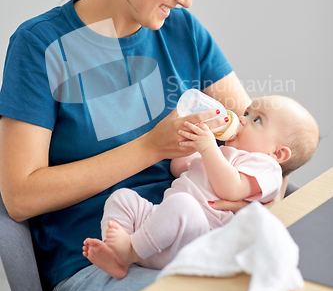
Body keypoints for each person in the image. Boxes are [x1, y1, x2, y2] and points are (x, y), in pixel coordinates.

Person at [0, 0, 262, 291]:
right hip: (97, 264)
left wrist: (247, 188)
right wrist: (151, 147)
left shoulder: (182, 31)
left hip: (188, 238)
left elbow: (254, 131)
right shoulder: (39, 45)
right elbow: (20, 195)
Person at [82, 95, 319, 279]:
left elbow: (232, 190)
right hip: (161, 226)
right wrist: (189, 143)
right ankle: (116, 256)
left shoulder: (265, 168)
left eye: (257, 120)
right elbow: (180, 168)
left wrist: (208, 149)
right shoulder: (222, 152)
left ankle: (130, 251)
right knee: (122, 198)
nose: (242, 119)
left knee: (182, 203)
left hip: (195, 238)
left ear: (278, 153)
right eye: (247, 112)